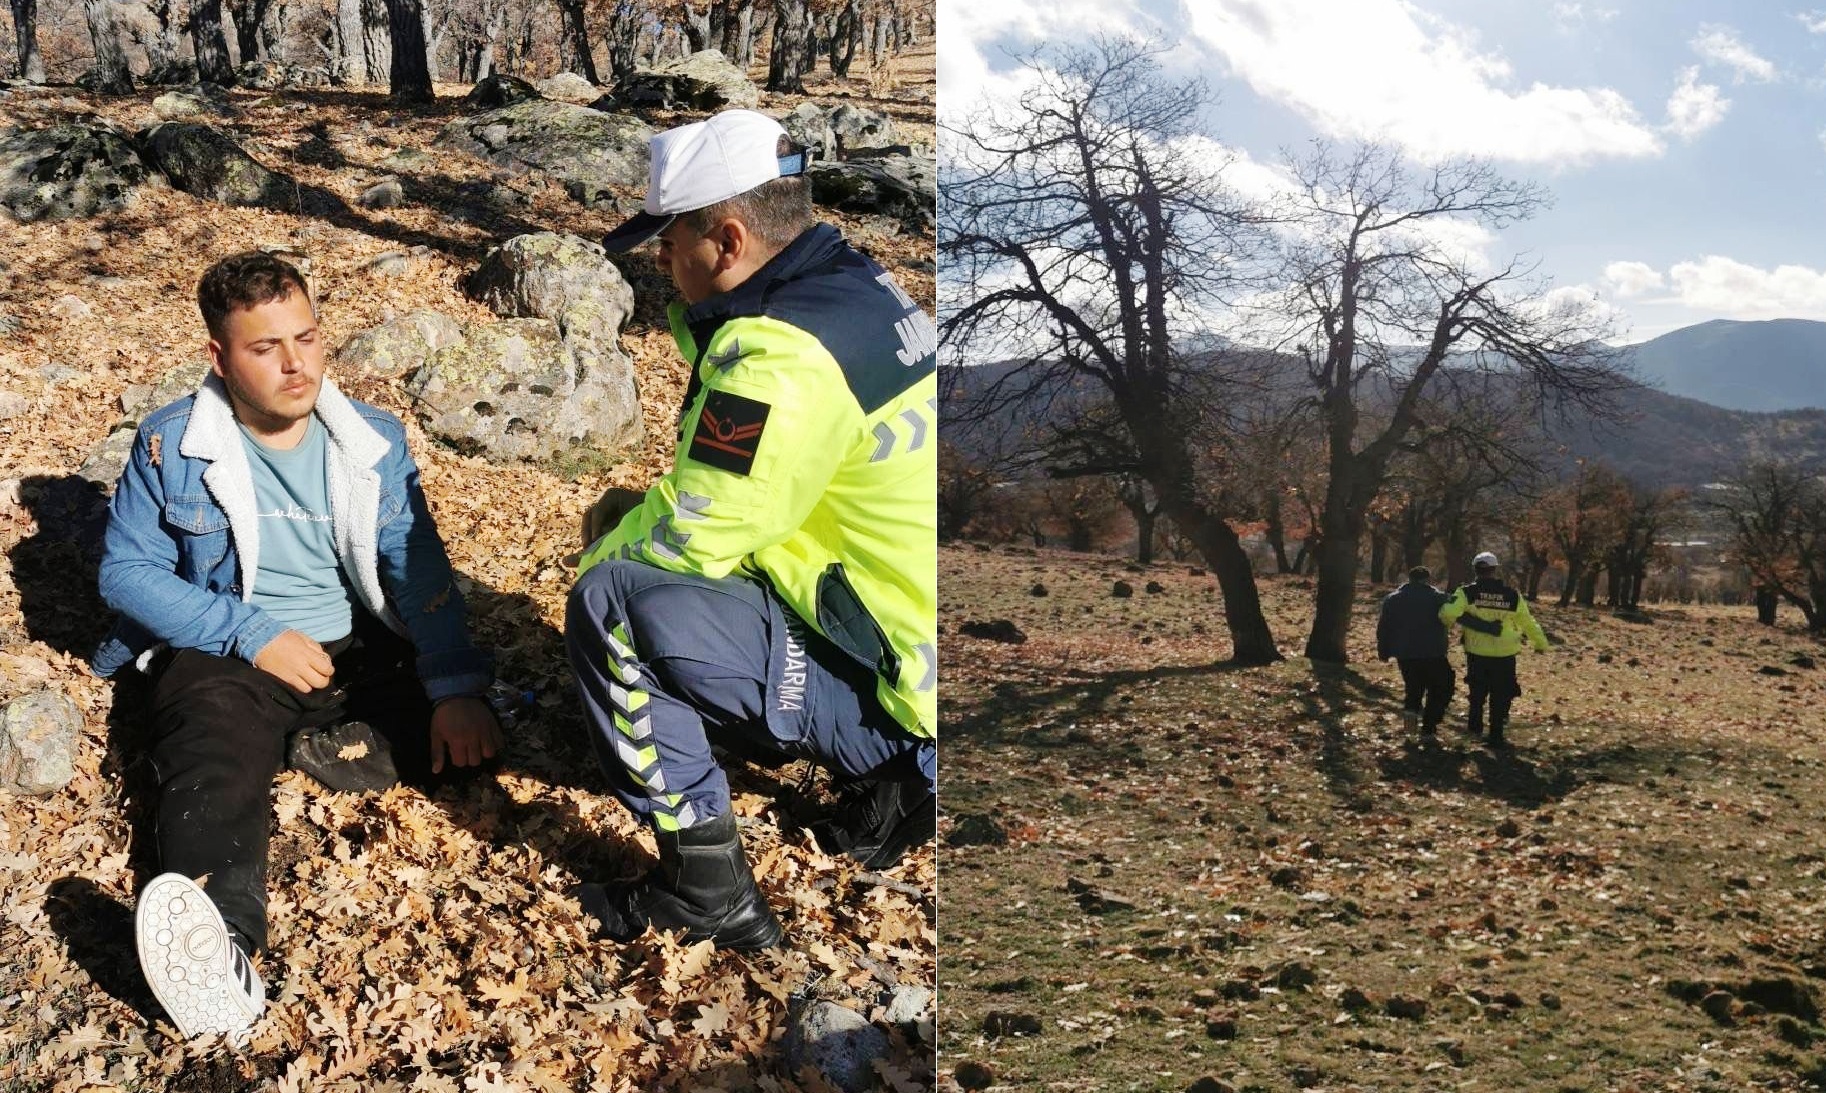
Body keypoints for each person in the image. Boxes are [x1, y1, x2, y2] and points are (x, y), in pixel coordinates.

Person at [92, 251, 503, 1040]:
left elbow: (418, 571)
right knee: (208, 751)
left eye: (307, 338)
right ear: (218, 356)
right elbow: (126, 574)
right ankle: (223, 949)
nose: (296, 365)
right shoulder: (171, 442)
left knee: (469, 746)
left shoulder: (371, 439)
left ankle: (326, 740)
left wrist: (455, 685)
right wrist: (251, 632)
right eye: (265, 347)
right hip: (234, 650)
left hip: (354, 651)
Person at [565, 109, 937, 951]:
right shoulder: (849, 281)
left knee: (614, 601)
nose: (661, 259)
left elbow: (695, 534)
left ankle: (706, 893)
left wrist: (593, 575)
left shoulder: (782, 354)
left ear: (729, 241)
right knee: (628, 525)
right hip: (908, 632)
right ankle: (892, 769)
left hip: (893, 681)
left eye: (670, 239)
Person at [1439, 551, 1549, 748]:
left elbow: (1448, 612)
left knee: (1477, 691)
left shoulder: (1466, 593)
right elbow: (1527, 621)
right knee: (1501, 693)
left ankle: (1474, 729)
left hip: (1477, 652)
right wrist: (1540, 643)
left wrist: (1448, 626)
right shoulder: (1512, 595)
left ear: (1475, 570)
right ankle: (1496, 734)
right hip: (1505, 653)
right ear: (1495, 570)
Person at [1376, 566, 1455, 740]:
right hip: (1433, 652)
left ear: (1409, 579)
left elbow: (1384, 627)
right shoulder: (1438, 598)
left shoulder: (1392, 599)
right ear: (1428, 579)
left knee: (1413, 688)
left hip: (1405, 653)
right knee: (1441, 687)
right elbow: (1453, 612)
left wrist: (1383, 650)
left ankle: (1410, 719)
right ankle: (1429, 726)